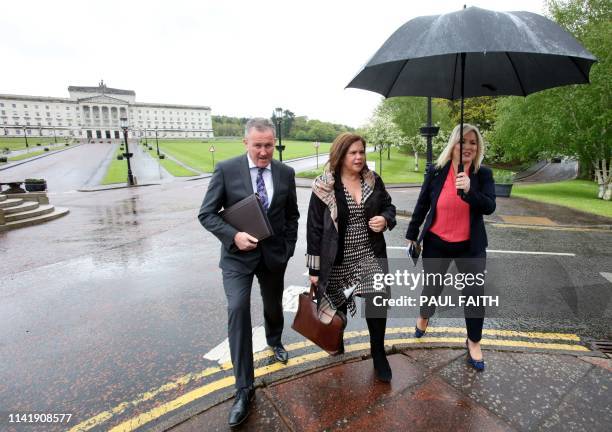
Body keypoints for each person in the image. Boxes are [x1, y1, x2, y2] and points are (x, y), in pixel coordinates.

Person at [198, 117, 299, 426]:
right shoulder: (226, 170)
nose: (264, 151)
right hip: (237, 258)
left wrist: (288, 249)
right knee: (238, 308)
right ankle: (244, 389)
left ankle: (275, 339)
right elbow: (206, 214)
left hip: (273, 257)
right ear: (246, 143)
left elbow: (292, 214)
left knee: (273, 306)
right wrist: (234, 236)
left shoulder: (285, 173)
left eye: (269, 145)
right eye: (258, 145)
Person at [306, 132, 396, 382]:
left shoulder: (373, 180)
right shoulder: (324, 185)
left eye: (361, 152)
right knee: (338, 307)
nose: (358, 157)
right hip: (338, 258)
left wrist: (385, 219)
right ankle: (337, 343)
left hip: (370, 254)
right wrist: (314, 271)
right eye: (352, 153)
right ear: (340, 155)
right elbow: (314, 228)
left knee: (378, 304)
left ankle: (378, 353)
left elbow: (389, 206)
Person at [406, 123, 496, 371]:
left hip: (471, 246)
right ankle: (424, 315)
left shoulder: (483, 174)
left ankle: (474, 341)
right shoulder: (436, 171)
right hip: (436, 241)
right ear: (453, 144)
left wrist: (468, 190)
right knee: (433, 287)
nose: (467, 146)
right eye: (462, 141)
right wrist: (412, 233)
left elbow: (489, 206)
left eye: (473, 142)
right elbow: (423, 202)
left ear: (478, 148)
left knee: (474, 295)